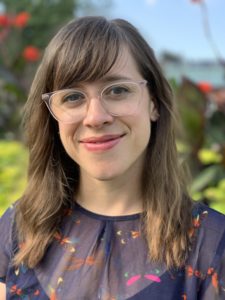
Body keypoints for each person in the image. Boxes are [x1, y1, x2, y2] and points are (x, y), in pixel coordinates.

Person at [0, 16, 225, 300]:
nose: (96, 117)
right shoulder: (18, 230)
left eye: (118, 90)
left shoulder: (213, 245)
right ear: (52, 115)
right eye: (72, 97)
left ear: (153, 103)